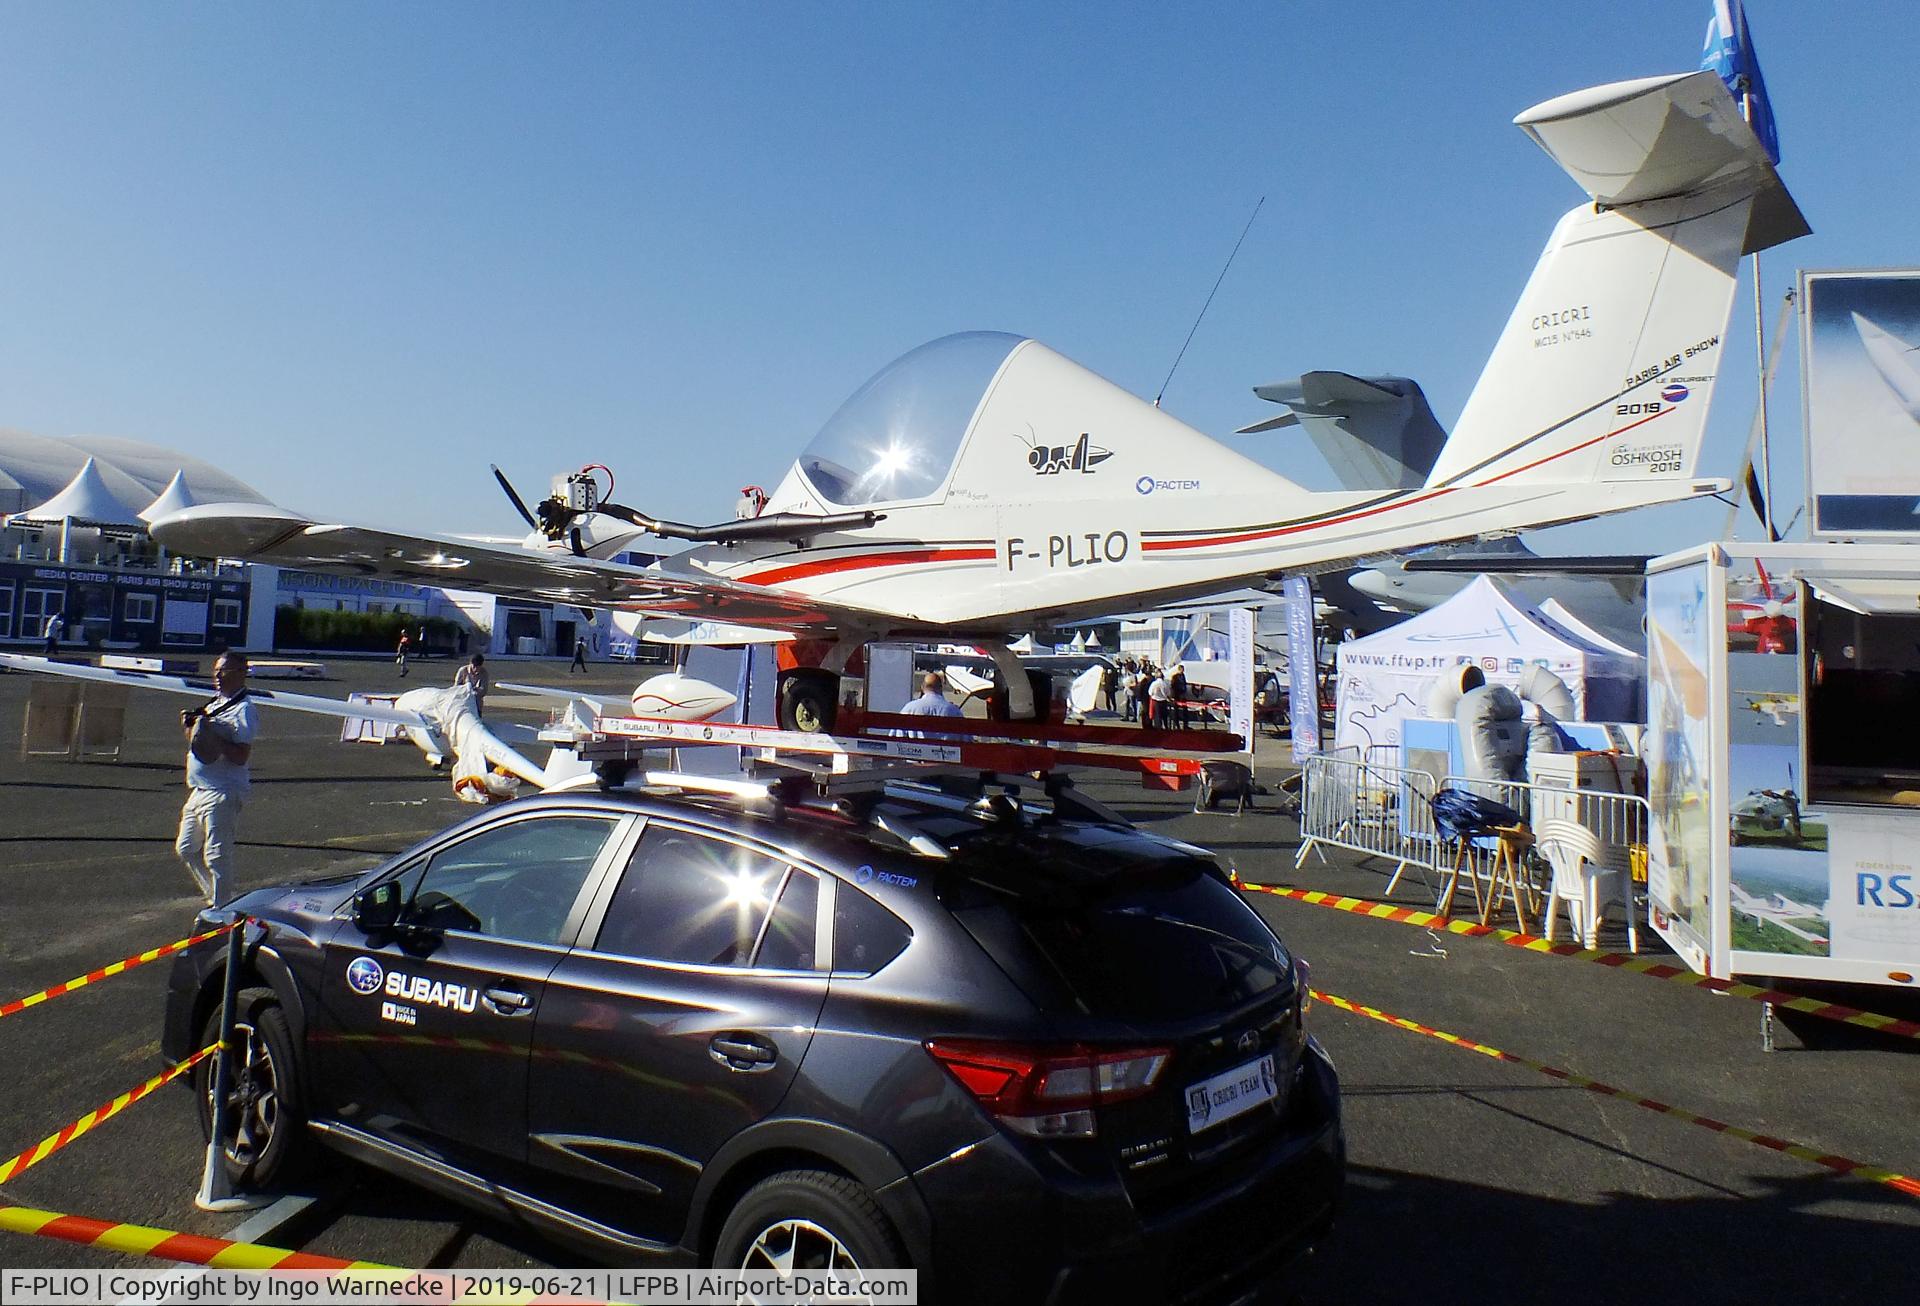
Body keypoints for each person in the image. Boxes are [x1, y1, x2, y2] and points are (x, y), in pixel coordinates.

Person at [175, 650, 257, 906]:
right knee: (186, 848)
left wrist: (214, 738)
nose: (218, 677)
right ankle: (214, 895)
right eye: (216, 672)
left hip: (223, 791)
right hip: (199, 789)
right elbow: (199, 745)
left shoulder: (244, 710)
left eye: (225, 672)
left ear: (241, 674)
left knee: (217, 856)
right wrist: (192, 729)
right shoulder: (214, 703)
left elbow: (241, 755)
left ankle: (222, 908)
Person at [1169, 663, 1190, 730]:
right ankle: (1176, 725)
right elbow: (1173, 686)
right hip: (1177, 695)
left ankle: (1185, 725)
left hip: (1183, 695)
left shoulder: (1183, 676)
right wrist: (1174, 696)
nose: (1183, 671)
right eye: (1182, 670)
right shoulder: (1174, 677)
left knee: (1185, 710)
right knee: (1176, 711)